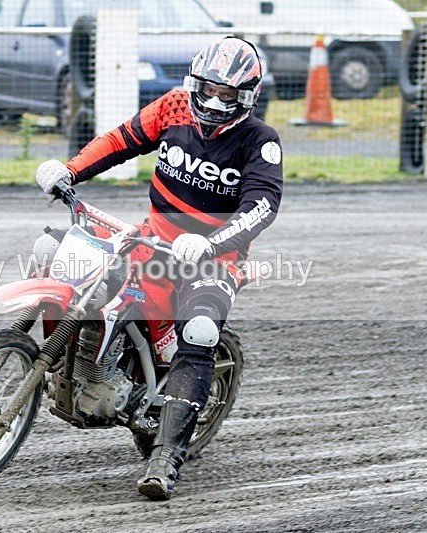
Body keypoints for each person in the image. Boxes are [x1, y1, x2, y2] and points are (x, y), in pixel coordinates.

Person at [35, 37, 283, 500]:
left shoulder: (260, 141)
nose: (214, 102)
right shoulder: (173, 107)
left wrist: (210, 243)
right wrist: (70, 171)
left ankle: (166, 457)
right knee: (60, 254)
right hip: (151, 239)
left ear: (247, 96)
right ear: (194, 84)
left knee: (201, 332)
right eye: (208, 90)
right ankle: (73, 364)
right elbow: (121, 139)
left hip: (214, 259)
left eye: (227, 94)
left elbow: (262, 206)